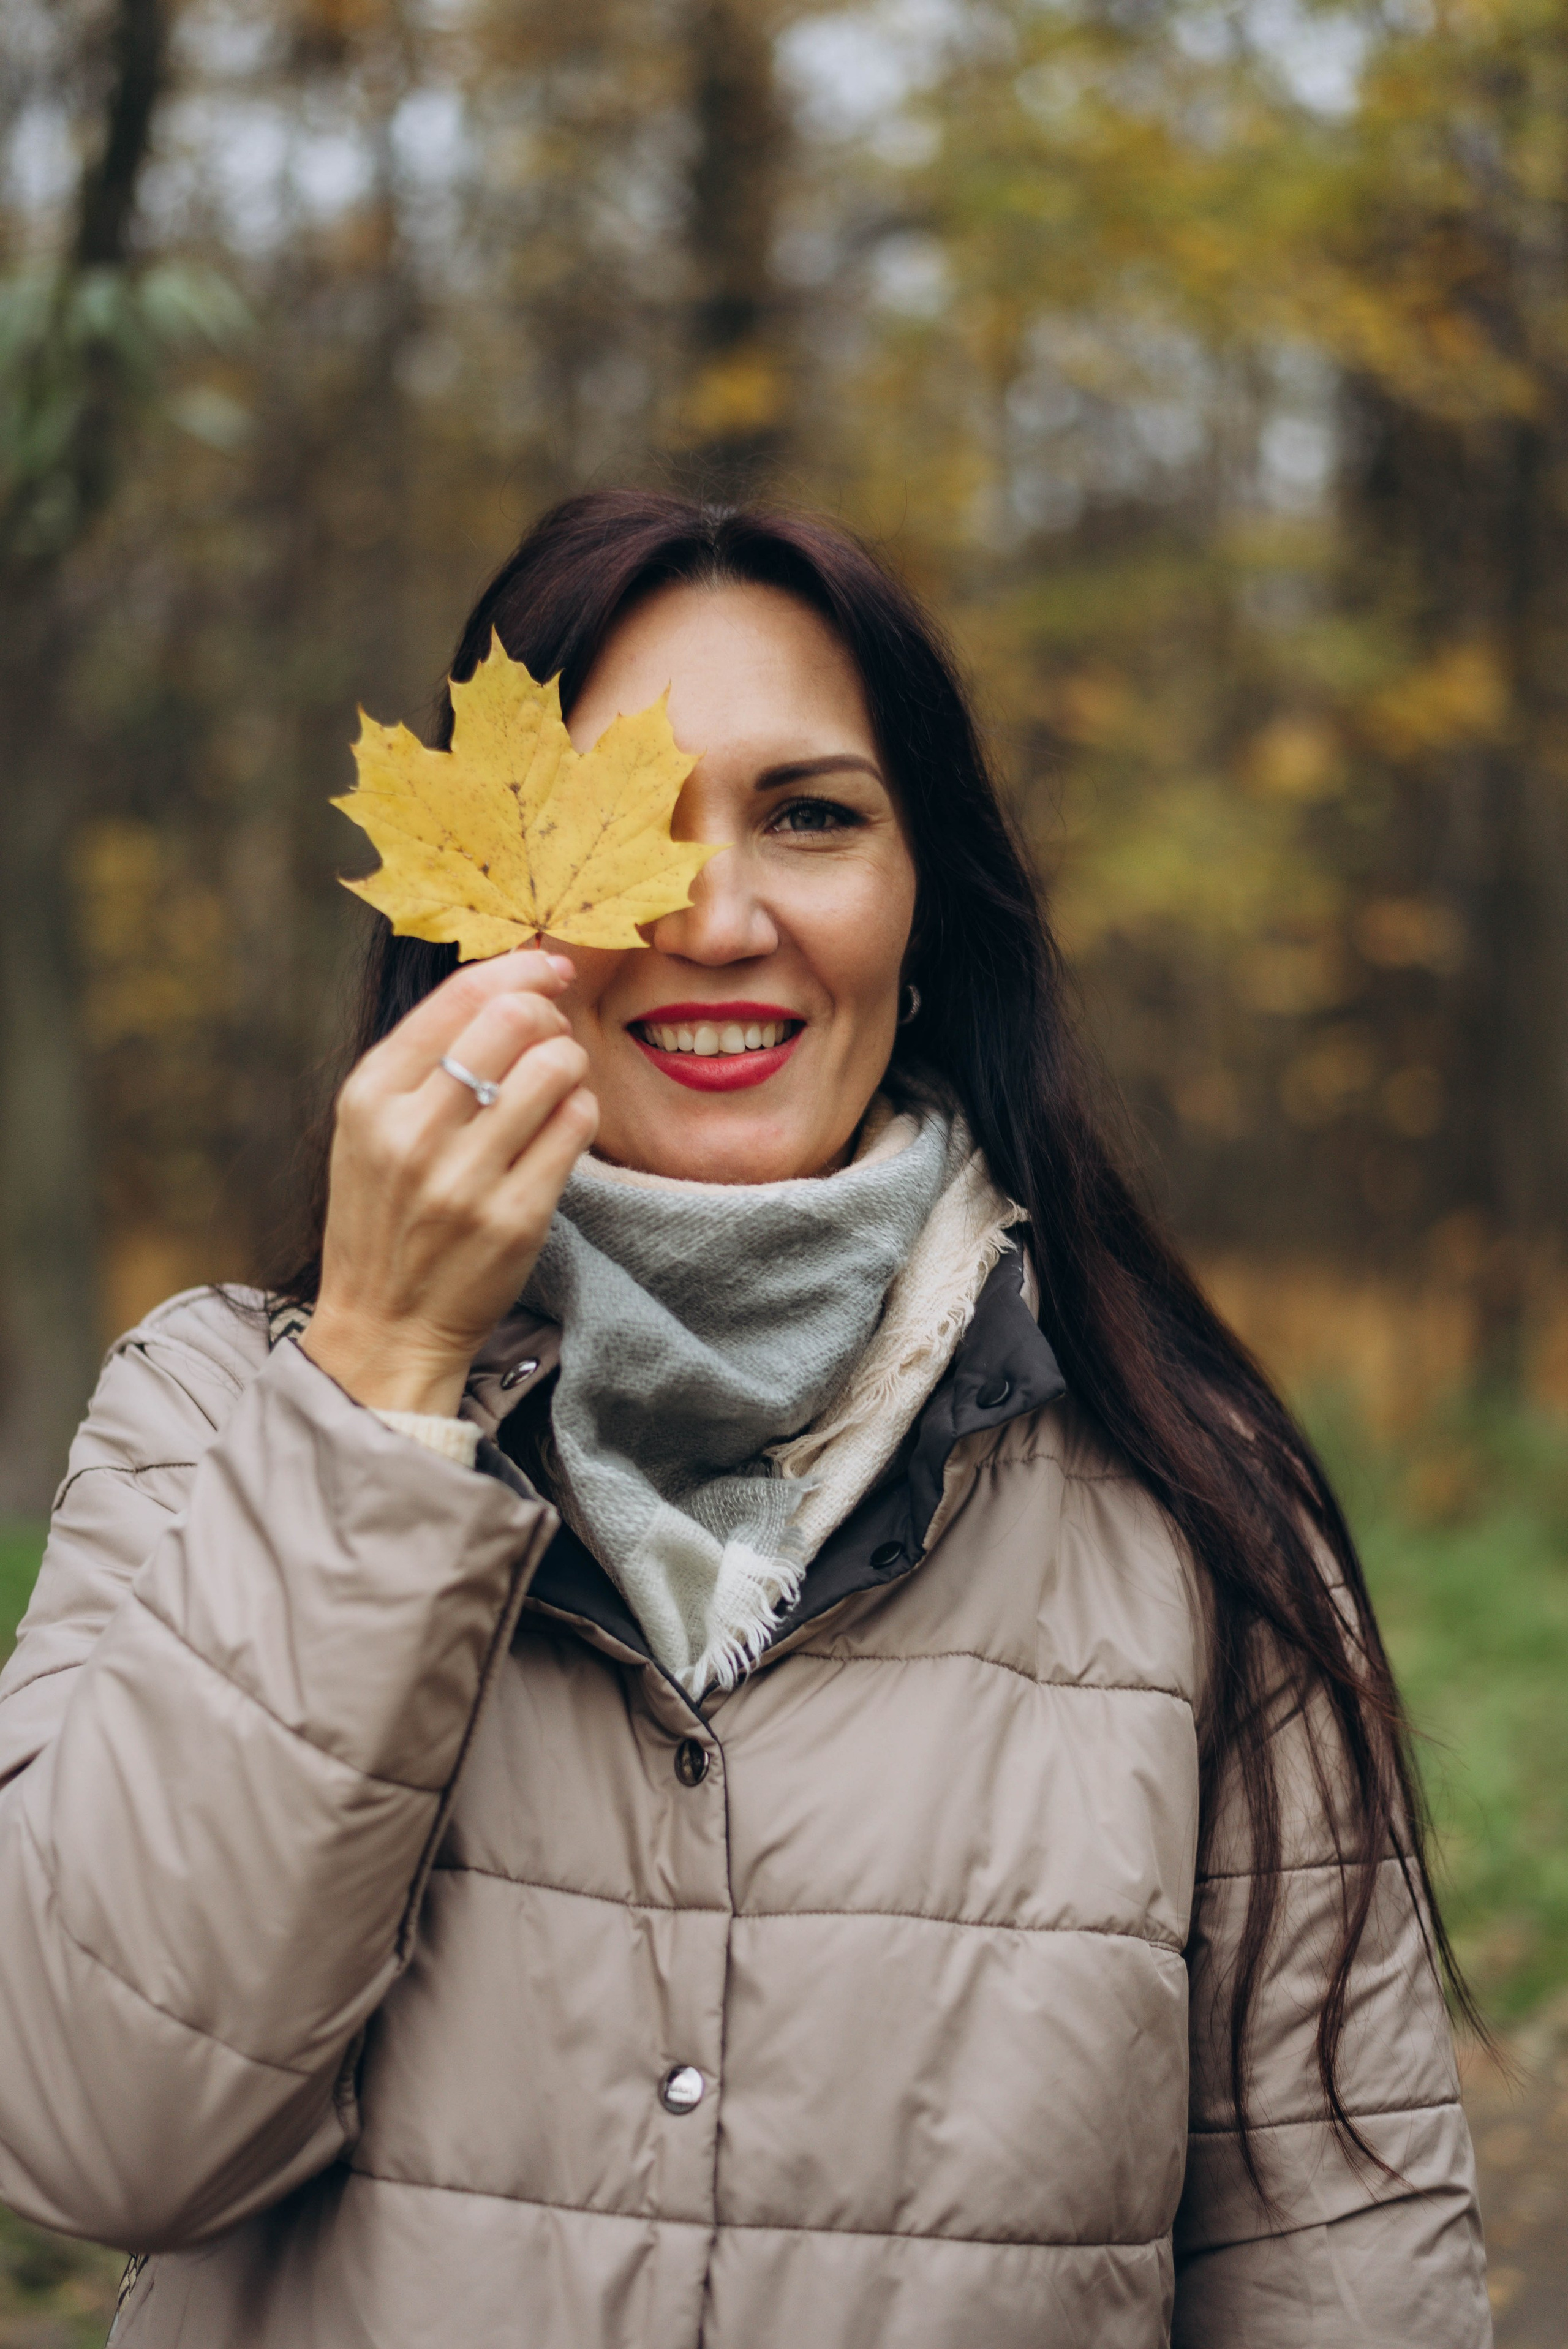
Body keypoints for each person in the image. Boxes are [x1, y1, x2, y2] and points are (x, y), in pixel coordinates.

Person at [0, 491, 1490, 2348]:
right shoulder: (214, 1415)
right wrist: (376, 1381)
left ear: (928, 895)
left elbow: (1352, 2282)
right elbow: (91, 2134)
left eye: (812, 814)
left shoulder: (1191, 1501)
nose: (717, 913)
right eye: (625, 816)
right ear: (478, 899)